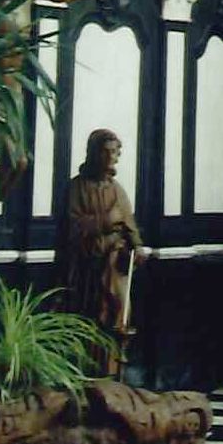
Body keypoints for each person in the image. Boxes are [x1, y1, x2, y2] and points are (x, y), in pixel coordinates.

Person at [57, 128, 144, 346]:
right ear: (94, 153)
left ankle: (113, 359)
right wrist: (106, 220)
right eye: (106, 151)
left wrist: (137, 247)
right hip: (86, 267)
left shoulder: (116, 190)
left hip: (113, 263)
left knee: (117, 309)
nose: (111, 157)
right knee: (88, 317)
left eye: (114, 152)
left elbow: (129, 224)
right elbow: (72, 226)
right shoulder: (76, 188)